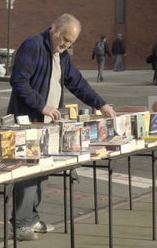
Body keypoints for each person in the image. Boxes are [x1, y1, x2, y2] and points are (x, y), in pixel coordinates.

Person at [7, 13, 116, 241]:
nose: (66, 45)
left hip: (49, 124)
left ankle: (32, 217)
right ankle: (20, 223)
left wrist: (101, 104)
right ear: (55, 29)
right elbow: (18, 81)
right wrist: (43, 106)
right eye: (65, 39)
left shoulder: (62, 55)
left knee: (43, 171)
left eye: (71, 42)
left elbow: (77, 83)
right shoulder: (34, 45)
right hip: (29, 121)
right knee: (28, 173)